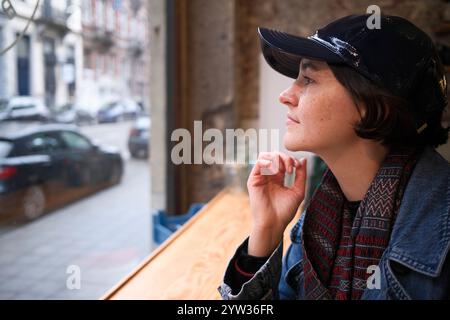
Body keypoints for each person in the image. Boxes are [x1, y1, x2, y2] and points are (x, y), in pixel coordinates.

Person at [218, 14, 450, 300]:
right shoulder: (319, 222)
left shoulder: (442, 227)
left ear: (373, 104)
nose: (286, 95)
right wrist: (266, 231)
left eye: (309, 79)